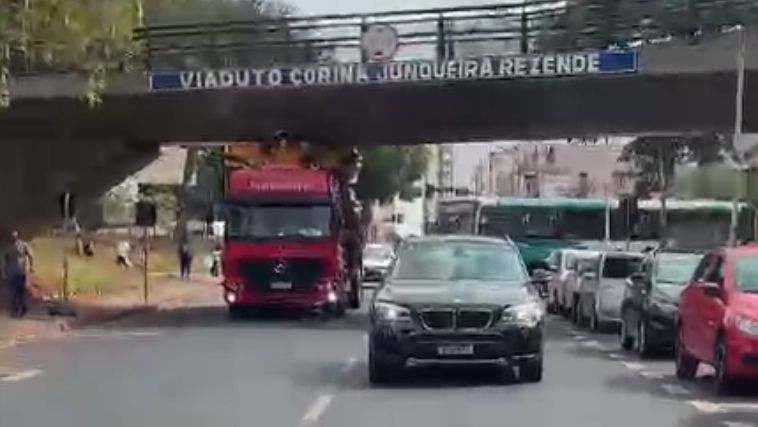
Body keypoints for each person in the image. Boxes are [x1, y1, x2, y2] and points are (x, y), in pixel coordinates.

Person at [3, 231, 34, 318]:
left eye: (15, 236)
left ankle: (22, 308)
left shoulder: (23, 245)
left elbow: (30, 255)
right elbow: (5, 260)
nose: (14, 238)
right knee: (13, 292)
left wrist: (31, 267)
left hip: (21, 271)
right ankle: (15, 310)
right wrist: (4, 271)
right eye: (12, 237)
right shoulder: (8, 247)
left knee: (21, 291)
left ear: (18, 237)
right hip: (12, 272)